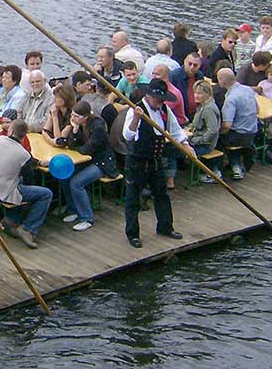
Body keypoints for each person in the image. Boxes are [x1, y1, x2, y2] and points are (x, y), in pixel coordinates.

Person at [122, 78, 188, 247]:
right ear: (148, 95)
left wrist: (186, 144)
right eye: (157, 99)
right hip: (137, 162)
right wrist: (136, 119)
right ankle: (132, 234)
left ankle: (165, 227)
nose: (160, 103)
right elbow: (128, 136)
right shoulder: (136, 110)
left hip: (156, 161)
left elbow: (176, 131)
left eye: (162, 100)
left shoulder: (164, 110)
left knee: (162, 195)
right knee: (133, 199)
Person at [0, 120, 53, 249]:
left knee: (16, 181)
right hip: (3, 191)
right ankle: (28, 229)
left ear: (11, 131)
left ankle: (11, 219)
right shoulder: (24, 154)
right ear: (25, 136)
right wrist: (38, 164)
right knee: (46, 194)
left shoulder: (0, 140)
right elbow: (29, 175)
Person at [62, 100, 118, 231]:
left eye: (77, 116)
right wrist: (75, 130)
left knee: (76, 183)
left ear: (86, 117)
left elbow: (87, 149)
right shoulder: (79, 124)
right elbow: (72, 144)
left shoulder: (98, 127)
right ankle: (73, 209)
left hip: (102, 163)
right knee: (65, 176)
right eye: (72, 115)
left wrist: (77, 146)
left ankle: (87, 217)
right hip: (88, 160)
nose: (73, 119)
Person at [217, 68, 258, 180]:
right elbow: (257, 110)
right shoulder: (248, 90)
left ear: (222, 81)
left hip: (238, 135)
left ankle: (227, 168)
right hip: (252, 132)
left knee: (219, 139)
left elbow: (227, 125)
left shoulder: (231, 99)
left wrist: (218, 132)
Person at [187, 80, 222, 174]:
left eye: (199, 93)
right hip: (196, 139)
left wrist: (198, 141)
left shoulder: (208, 109)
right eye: (195, 93)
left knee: (180, 151)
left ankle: (211, 172)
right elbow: (195, 124)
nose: (196, 95)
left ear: (208, 94)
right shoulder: (202, 106)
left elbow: (213, 130)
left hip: (205, 145)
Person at [170, 52, 204, 119]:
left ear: (199, 66)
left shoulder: (200, 76)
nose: (192, 67)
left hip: (195, 114)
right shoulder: (174, 76)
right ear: (184, 62)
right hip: (179, 115)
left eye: (195, 65)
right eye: (190, 64)